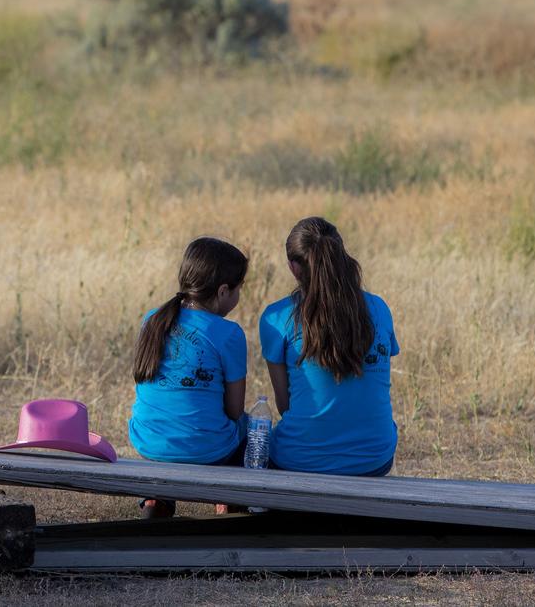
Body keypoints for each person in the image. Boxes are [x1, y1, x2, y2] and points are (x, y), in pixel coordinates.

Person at [259, 216, 399, 476]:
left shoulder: (276, 318)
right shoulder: (379, 308)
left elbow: (285, 404)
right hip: (373, 458)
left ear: (294, 268)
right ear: (341, 256)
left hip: (299, 458)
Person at [129, 236, 249, 517]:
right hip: (209, 451)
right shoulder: (229, 334)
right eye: (238, 289)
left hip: (149, 442)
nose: (238, 296)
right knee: (252, 430)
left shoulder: (152, 319)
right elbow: (234, 411)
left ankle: (157, 498)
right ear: (222, 292)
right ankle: (230, 496)